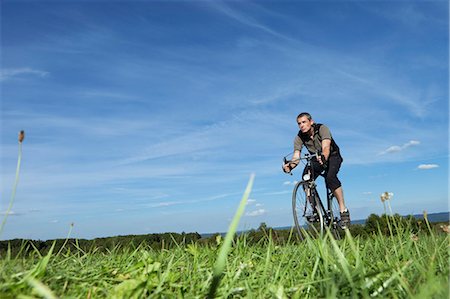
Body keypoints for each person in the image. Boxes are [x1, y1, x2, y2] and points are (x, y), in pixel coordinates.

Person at [283, 112, 350, 228]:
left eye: (304, 122)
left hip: (332, 156)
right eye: (299, 123)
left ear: (311, 122)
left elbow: (326, 147)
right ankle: (316, 211)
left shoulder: (322, 129)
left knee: (330, 178)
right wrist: (290, 166)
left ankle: (343, 211)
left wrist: (324, 157)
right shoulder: (299, 138)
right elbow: (296, 157)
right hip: (316, 158)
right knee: (306, 179)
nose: (301, 125)